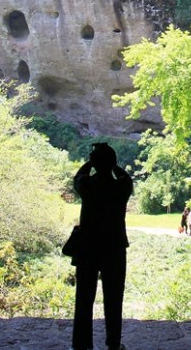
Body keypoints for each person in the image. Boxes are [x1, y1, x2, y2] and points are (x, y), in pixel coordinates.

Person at [71, 143, 133, 350]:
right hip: (114, 247)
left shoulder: (87, 185)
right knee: (114, 299)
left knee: (84, 298)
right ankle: (113, 343)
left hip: (88, 247)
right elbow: (125, 176)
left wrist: (91, 162)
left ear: (95, 164)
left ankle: (81, 344)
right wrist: (113, 165)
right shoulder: (121, 186)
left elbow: (78, 176)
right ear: (113, 163)